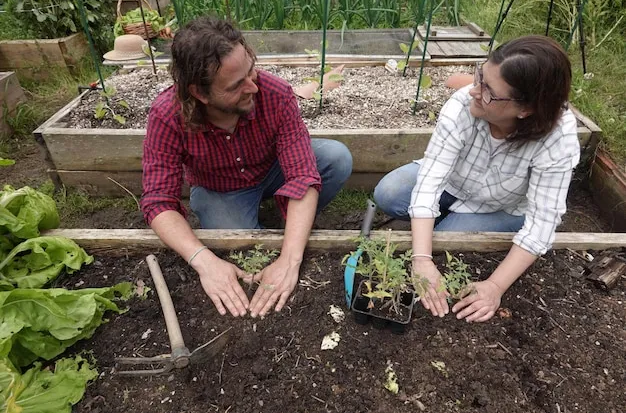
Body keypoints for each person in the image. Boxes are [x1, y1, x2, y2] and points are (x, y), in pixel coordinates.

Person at [141, 17, 352, 319]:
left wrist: (290, 260)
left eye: (250, 70)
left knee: (335, 158)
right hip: (220, 188)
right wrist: (203, 260)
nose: (252, 86)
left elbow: (302, 174)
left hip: (271, 170)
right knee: (237, 245)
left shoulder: (275, 93)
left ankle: (289, 225)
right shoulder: (168, 115)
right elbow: (158, 202)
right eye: (236, 84)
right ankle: (276, 225)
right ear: (199, 93)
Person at [373, 35, 580, 323]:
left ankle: (442, 223)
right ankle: (437, 220)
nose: (473, 91)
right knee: (390, 192)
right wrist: (421, 259)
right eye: (479, 76)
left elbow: (542, 224)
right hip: (453, 184)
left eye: (488, 91)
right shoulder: (464, 104)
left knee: (445, 240)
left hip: (501, 205)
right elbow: (430, 179)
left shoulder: (558, 138)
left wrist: (495, 286)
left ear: (526, 109)